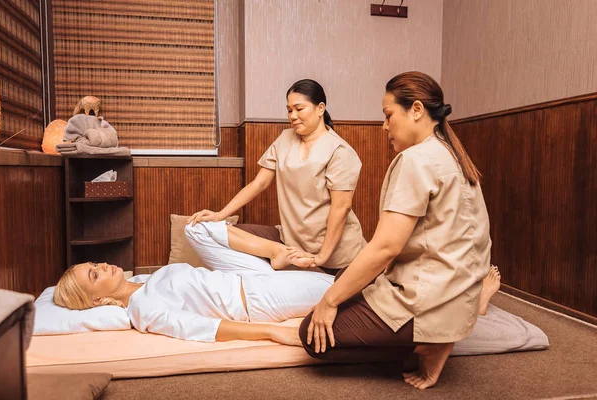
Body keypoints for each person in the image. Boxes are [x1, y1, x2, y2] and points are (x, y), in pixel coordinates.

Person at [299, 71, 493, 390]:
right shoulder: (451, 153)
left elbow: (385, 248)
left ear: (416, 110)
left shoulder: (416, 160)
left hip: (433, 299)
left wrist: (329, 303)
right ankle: (454, 322)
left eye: (388, 115)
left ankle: (430, 344)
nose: (384, 126)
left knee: (313, 334)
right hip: (460, 288)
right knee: (344, 277)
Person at [52, 221, 335, 346]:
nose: (100, 266)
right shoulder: (143, 309)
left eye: (93, 265)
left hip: (239, 274)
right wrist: (272, 333)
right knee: (335, 286)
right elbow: (202, 328)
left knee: (196, 228)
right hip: (251, 297)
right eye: (94, 275)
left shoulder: (139, 281)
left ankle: (274, 252)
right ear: (97, 301)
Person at [187, 79, 366, 272]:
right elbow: (259, 183)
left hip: (336, 256)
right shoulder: (285, 139)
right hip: (292, 244)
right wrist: (221, 214)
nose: (293, 116)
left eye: (299, 108)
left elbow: (341, 207)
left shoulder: (339, 150)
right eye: (289, 110)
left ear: (320, 108)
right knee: (207, 229)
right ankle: (277, 253)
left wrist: (321, 257)